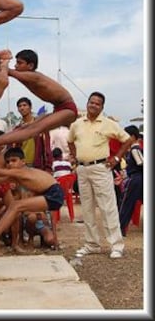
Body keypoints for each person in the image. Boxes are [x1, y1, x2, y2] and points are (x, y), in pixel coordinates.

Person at [67, 91, 133, 259]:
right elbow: (70, 141)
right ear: (87, 103)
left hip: (101, 168)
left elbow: (127, 140)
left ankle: (116, 245)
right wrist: (74, 158)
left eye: (97, 103)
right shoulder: (77, 124)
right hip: (82, 169)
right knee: (87, 208)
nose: (93, 105)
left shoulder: (108, 123)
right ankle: (92, 244)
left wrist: (117, 157)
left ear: (102, 107)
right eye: (91, 102)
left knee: (107, 207)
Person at [0, 147, 63, 246]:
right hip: (50, 194)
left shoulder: (21, 171)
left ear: (23, 162)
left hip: (54, 193)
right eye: (8, 162)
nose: (10, 164)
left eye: (14, 160)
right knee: (15, 206)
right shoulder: (16, 176)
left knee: (16, 206)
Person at [0, 49, 78, 148]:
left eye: (19, 63)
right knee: (26, 128)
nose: (16, 65)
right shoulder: (26, 77)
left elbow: (8, 71)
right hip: (58, 108)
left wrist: (4, 62)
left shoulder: (34, 76)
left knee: (33, 130)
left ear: (30, 66)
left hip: (68, 109)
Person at [12, 96, 53, 171]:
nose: (22, 108)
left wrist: (48, 167)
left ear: (30, 107)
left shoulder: (40, 126)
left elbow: (47, 148)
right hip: (22, 165)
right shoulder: (17, 129)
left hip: (38, 165)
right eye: (19, 106)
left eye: (24, 105)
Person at [119, 125, 143, 236]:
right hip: (138, 177)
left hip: (136, 178)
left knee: (127, 203)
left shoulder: (134, 149)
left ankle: (121, 228)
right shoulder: (137, 149)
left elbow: (141, 163)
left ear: (132, 136)